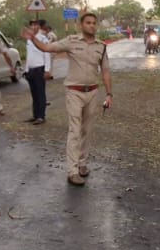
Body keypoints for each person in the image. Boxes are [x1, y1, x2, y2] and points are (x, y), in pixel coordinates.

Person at [26, 12, 111, 185]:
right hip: (74, 92)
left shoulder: (101, 47)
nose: (92, 26)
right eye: (88, 22)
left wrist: (109, 93)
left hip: (92, 92)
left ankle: (82, 163)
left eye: (94, 23)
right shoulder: (71, 42)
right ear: (81, 25)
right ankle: (72, 171)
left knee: (87, 130)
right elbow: (47, 48)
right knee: (75, 129)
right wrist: (33, 38)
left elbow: (106, 71)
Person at [23, 18, 51, 124]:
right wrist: (26, 70)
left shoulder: (43, 39)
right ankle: (35, 115)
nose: (33, 27)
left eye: (35, 25)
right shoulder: (29, 39)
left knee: (40, 93)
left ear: (39, 27)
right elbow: (29, 55)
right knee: (34, 94)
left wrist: (47, 70)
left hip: (40, 69)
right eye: (31, 25)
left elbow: (47, 54)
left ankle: (41, 116)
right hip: (30, 70)